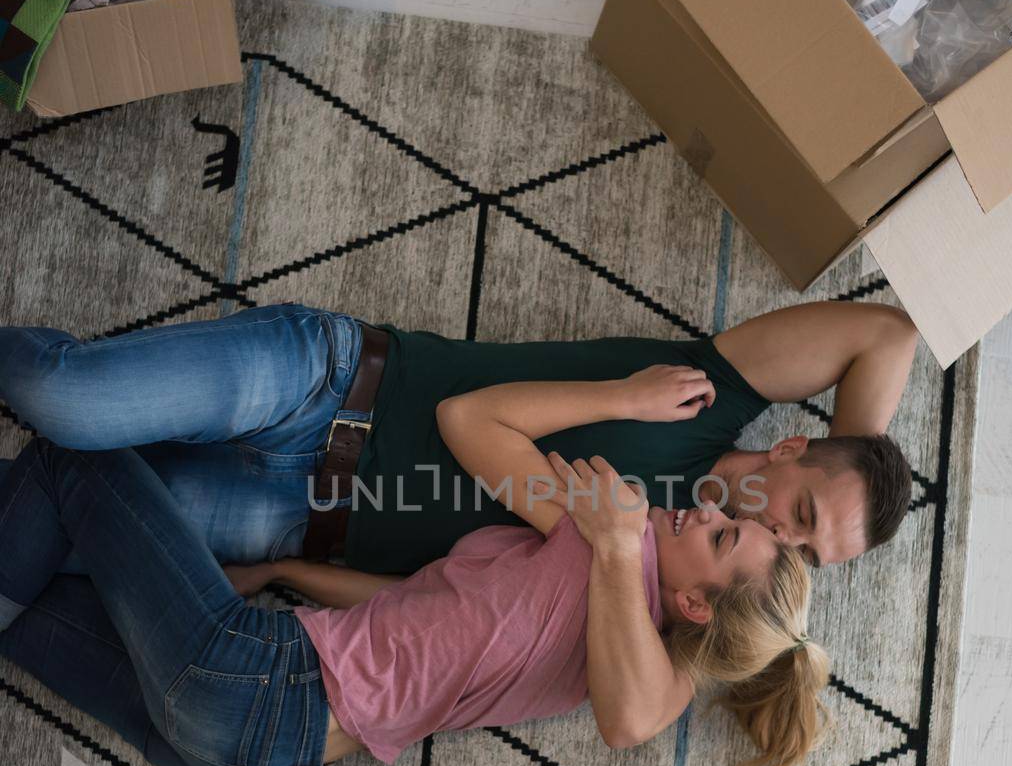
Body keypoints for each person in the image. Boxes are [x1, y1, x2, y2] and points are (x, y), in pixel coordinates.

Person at [0, 367, 828, 766]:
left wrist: (615, 534)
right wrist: (289, 571)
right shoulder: (631, 646)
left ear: (693, 602)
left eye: (721, 535)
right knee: (24, 604)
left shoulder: (613, 561)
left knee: (77, 454)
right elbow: (419, 614)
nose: (701, 508)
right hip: (246, 755)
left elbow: (468, 419)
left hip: (258, 690)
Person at [0, 298, 918, 584]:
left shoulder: (656, 565)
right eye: (801, 513)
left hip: (295, 521)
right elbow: (888, 335)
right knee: (68, 405)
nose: (789, 545)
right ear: (795, 446)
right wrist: (861, 462)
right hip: (332, 384)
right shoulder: (703, 394)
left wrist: (817, 517)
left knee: (58, 529)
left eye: (806, 552)